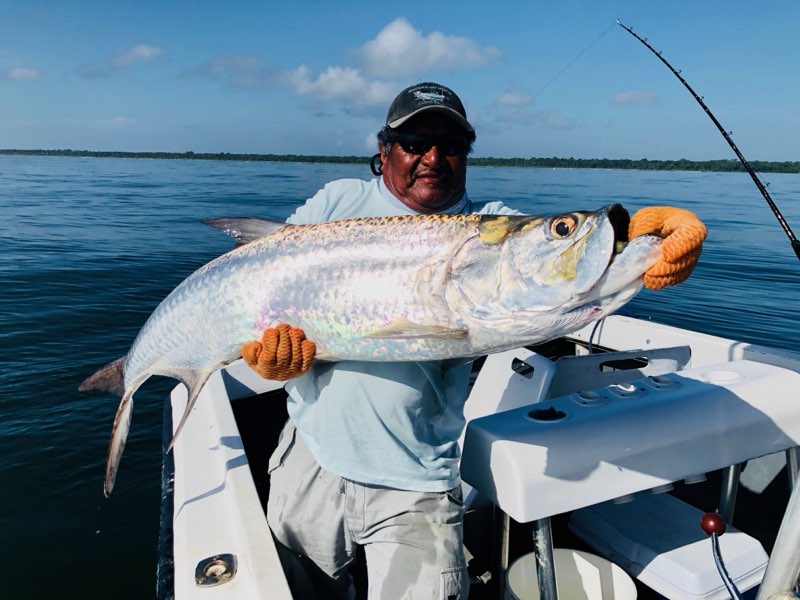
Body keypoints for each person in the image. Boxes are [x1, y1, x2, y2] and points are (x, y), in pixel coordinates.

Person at [241, 82, 706, 599]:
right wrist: (270, 354)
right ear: (384, 151)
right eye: (415, 141)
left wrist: (643, 237)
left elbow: (565, 259)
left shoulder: (492, 227)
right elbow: (262, 288)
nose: (432, 157)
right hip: (311, 457)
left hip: (414, 479)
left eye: (452, 145)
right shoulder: (337, 202)